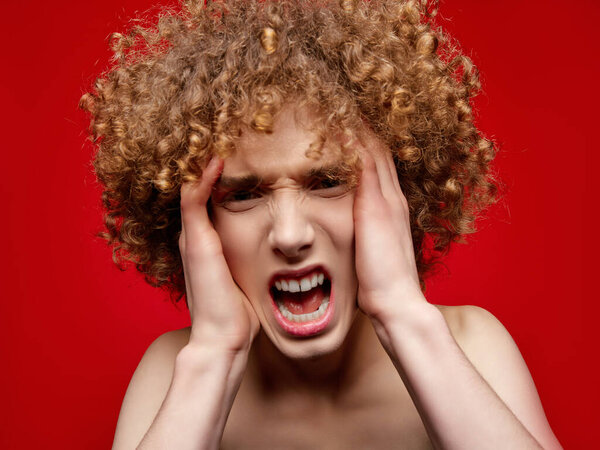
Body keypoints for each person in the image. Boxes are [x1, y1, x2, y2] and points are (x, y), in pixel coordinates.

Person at [81, 0, 562, 448]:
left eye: (329, 181)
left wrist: (403, 317)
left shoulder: (472, 345)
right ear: (200, 227)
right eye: (244, 195)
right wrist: (216, 359)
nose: (290, 236)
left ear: (398, 196)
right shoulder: (174, 371)